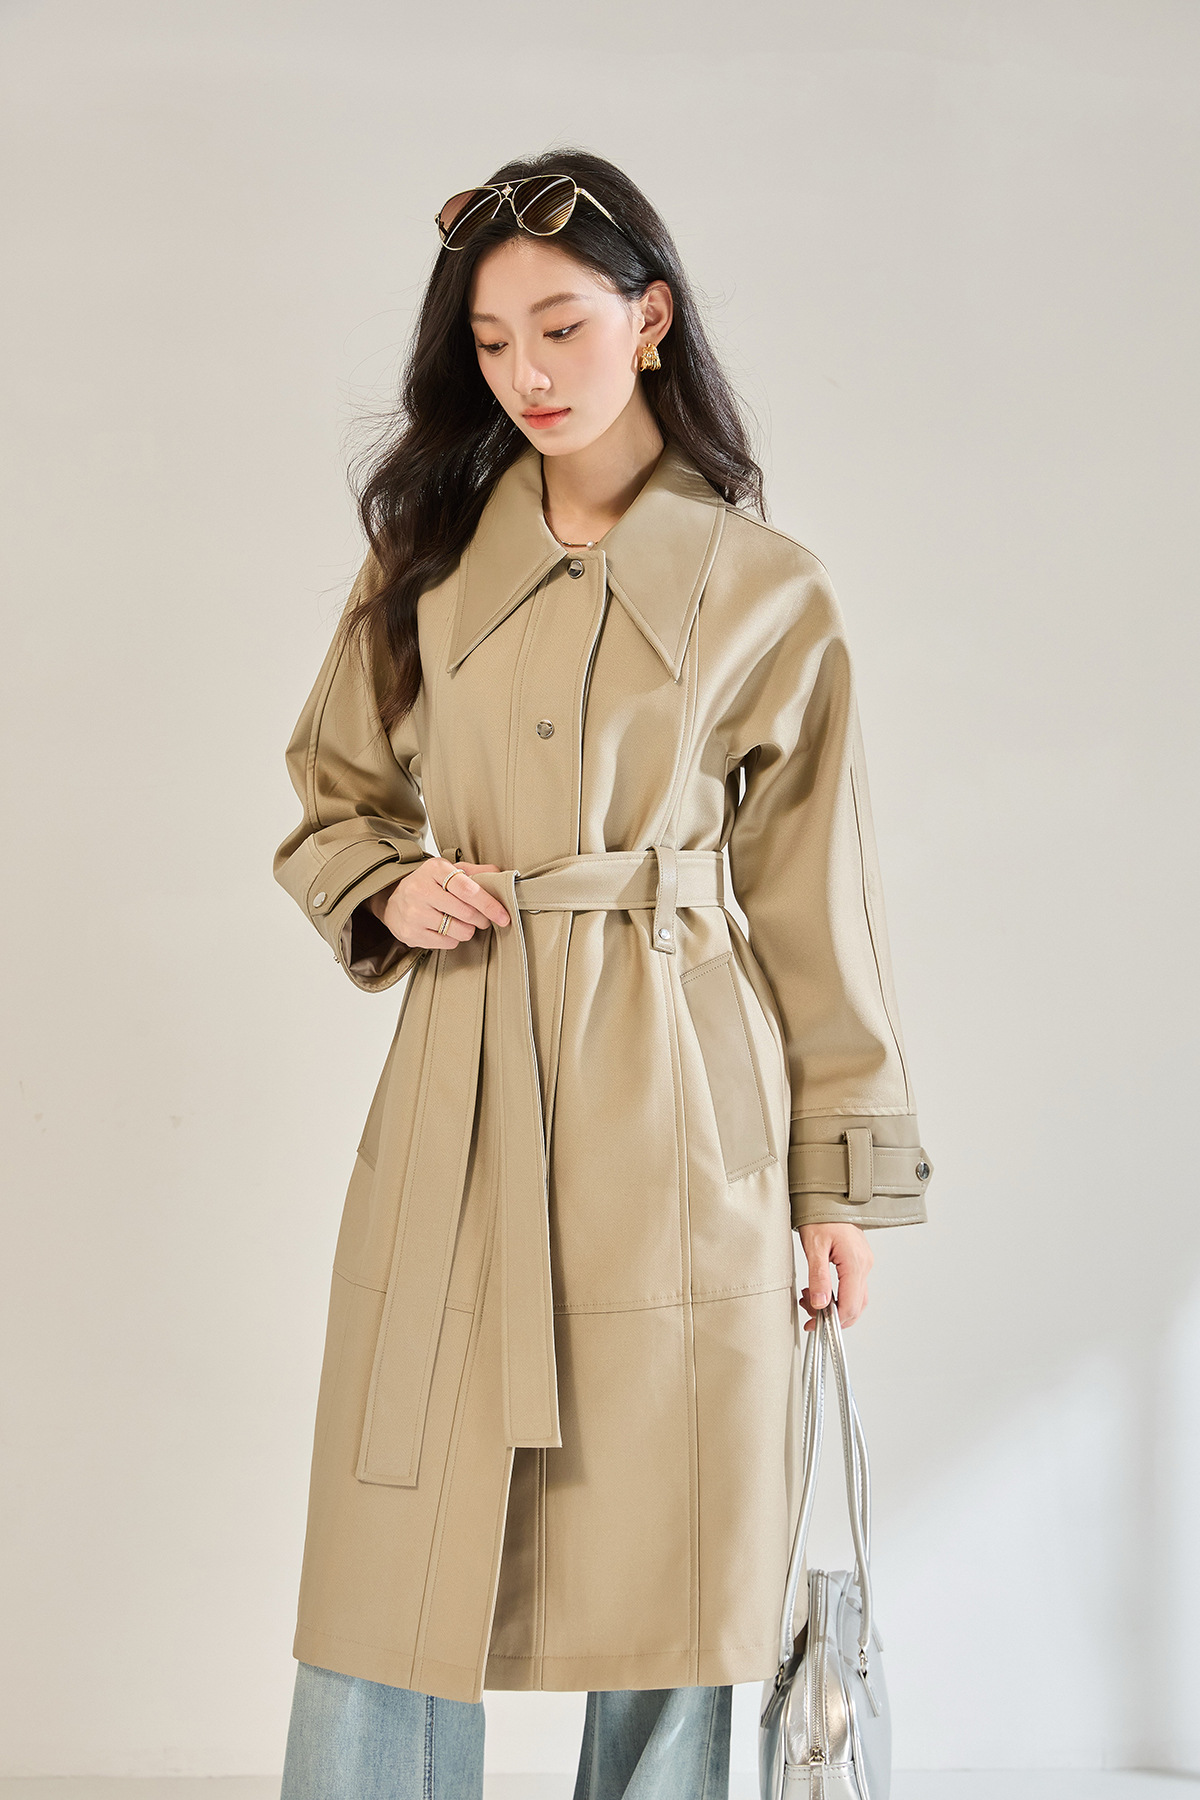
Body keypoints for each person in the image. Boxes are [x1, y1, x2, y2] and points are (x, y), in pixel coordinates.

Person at [272, 148, 934, 1800]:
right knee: (393, 1552)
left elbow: (813, 904)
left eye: (561, 327)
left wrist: (835, 1186)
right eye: (493, 343)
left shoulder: (767, 592)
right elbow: (334, 797)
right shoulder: (424, 563)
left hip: (682, 1101)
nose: (529, 374)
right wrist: (389, 883)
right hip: (463, 1089)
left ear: (650, 320)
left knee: (677, 1552)